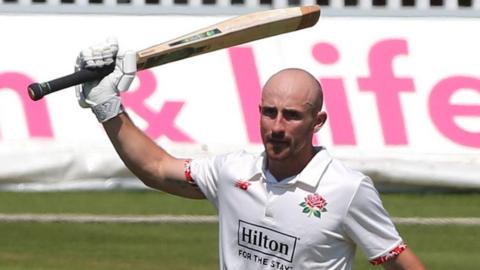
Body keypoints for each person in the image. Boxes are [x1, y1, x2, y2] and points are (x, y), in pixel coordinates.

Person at [75, 38, 425, 270]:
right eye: (269, 112)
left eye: (292, 116)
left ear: (317, 122)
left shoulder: (347, 189)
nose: (276, 126)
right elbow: (156, 167)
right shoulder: (232, 171)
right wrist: (107, 107)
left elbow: (399, 260)